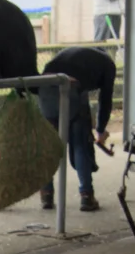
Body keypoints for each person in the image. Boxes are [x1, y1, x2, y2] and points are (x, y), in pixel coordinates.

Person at [36, 46, 115, 213]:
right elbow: (105, 100)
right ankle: (87, 197)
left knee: (48, 146)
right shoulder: (108, 64)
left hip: (45, 88)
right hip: (71, 88)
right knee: (80, 144)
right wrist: (100, 131)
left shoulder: (75, 53)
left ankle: (46, 194)